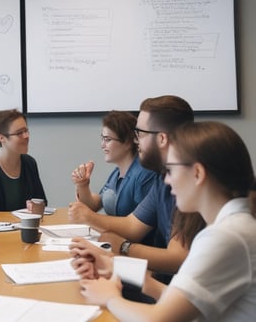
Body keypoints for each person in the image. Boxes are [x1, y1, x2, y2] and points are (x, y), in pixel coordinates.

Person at [71, 121, 256, 321]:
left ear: (197, 173)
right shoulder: (235, 226)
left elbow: (158, 318)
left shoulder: (225, 236)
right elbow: (177, 296)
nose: (167, 181)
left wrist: (110, 298)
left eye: (171, 170)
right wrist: (112, 265)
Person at [68, 96, 205, 277]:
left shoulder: (187, 182)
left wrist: (123, 247)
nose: (136, 141)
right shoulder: (162, 177)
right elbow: (133, 224)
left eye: (140, 133)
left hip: (170, 285)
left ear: (162, 138)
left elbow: (177, 258)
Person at [71, 111, 157, 218]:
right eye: (102, 139)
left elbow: (139, 225)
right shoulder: (116, 173)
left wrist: (91, 219)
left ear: (128, 142)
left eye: (108, 139)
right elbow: (93, 205)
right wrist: (83, 185)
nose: (102, 145)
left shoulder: (144, 174)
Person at [0, 109, 46, 211]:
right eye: (19, 133)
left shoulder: (30, 163)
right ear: (2, 138)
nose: (26, 136)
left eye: (26, 131)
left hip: (27, 225)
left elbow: (42, 201)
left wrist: (36, 206)